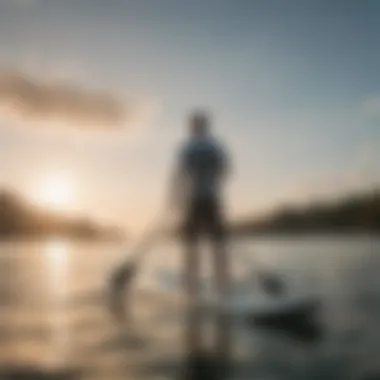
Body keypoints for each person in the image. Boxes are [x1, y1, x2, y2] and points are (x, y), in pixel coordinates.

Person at [169, 110, 232, 378]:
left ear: (193, 127)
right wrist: (214, 184)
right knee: (218, 245)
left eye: (193, 124)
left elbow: (178, 175)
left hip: (195, 201)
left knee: (192, 245)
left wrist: (174, 197)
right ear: (206, 126)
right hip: (212, 200)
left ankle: (192, 287)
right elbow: (226, 170)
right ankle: (221, 286)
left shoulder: (187, 147)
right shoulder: (216, 146)